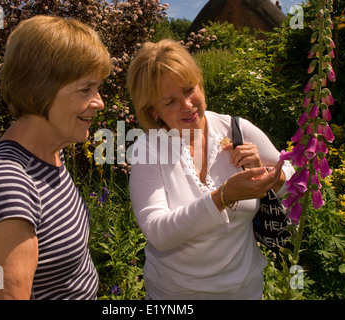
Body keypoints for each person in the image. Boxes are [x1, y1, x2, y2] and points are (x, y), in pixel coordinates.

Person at [126, 39, 295, 300]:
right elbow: (158, 232)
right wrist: (223, 196)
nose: (186, 104)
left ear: (200, 83)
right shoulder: (148, 150)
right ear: (153, 111)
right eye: (169, 101)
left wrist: (268, 175)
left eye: (188, 89)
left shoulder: (236, 129)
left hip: (244, 290)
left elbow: (292, 179)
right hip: (174, 295)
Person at [0, 15, 112, 300]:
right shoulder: (7, 184)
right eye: (86, 89)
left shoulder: (50, 154)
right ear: (37, 94)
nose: (99, 102)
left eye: (97, 88)